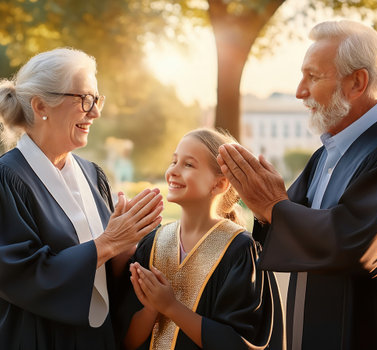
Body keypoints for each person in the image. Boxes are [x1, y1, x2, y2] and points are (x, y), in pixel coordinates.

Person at [218, 20, 377, 350]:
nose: (300, 91)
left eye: (313, 77)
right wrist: (265, 209)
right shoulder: (326, 154)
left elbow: (359, 244)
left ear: (357, 83)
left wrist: (273, 207)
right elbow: (284, 224)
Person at [0, 47, 163, 350]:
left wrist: (127, 249)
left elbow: (105, 277)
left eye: (97, 99)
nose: (95, 112)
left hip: (91, 337)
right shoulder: (4, 177)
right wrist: (107, 243)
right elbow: (13, 273)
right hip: (29, 337)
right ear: (41, 105)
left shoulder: (92, 174)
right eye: (85, 99)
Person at [118, 128, 283, 350]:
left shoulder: (240, 250)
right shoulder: (152, 244)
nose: (173, 171)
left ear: (220, 184)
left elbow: (239, 344)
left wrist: (171, 307)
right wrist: (151, 310)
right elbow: (126, 342)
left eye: (188, 164)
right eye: (174, 161)